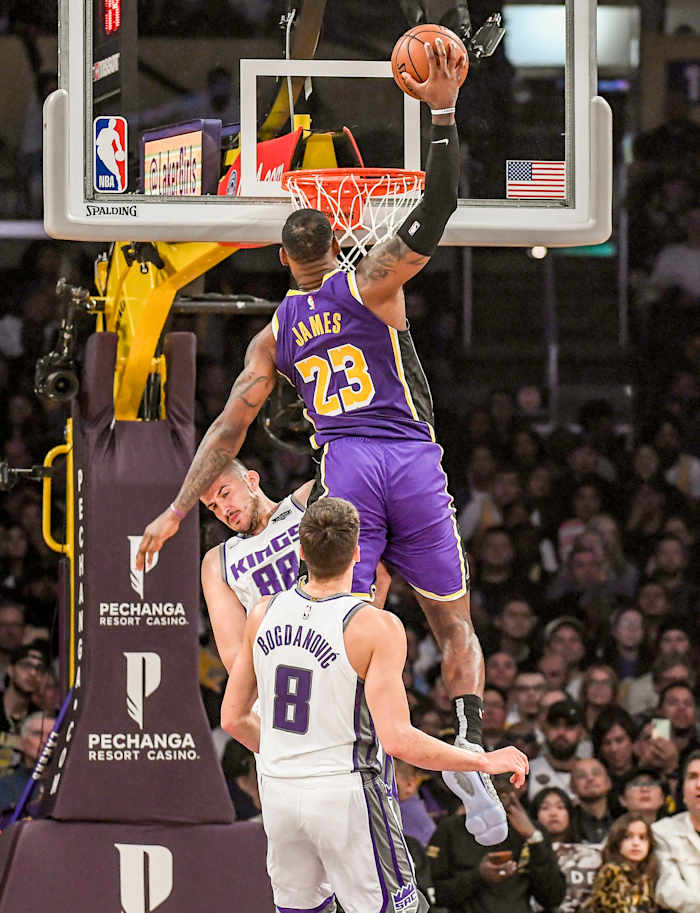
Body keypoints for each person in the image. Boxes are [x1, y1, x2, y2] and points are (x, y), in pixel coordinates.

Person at [137, 38, 510, 843]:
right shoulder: (373, 277)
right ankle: (470, 742)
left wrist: (174, 508)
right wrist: (441, 111)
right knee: (455, 626)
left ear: (282, 257)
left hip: (343, 465)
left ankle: (364, 757)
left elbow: (230, 427)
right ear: (337, 239)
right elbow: (439, 203)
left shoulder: (274, 332)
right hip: (409, 457)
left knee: (357, 625)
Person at [220, 498, 528, 913]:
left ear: (301, 551)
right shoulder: (376, 626)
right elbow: (398, 740)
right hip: (346, 792)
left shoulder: (261, 612)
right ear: (357, 553)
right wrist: (482, 761)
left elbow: (233, 719)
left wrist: (290, 754)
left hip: (278, 789)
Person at [428, 776, 566, 913]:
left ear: (522, 786)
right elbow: (434, 895)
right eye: (491, 779)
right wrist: (478, 876)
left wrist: (533, 839)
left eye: (508, 779)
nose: (499, 786)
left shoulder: (534, 831)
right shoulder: (450, 830)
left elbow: (553, 898)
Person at [531, 786, 602, 913]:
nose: (553, 813)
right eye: (545, 808)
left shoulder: (591, 852)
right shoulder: (528, 853)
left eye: (560, 807)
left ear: (570, 814)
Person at [652, 750, 700, 912]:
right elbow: (668, 890)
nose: (699, 784)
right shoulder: (663, 832)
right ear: (683, 792)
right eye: (693, 777)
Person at [587, 813, 658, 913]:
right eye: (627, 837)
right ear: (617, 841)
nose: (636, 843)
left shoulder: (646, 876)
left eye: (642, 838)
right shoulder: (611, 872)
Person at [528, 701, 588, 802]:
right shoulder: (528, 770)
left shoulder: (592, 774)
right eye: (555, 725)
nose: (561, 733)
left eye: (569, 727)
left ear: (582, 733)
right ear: (545, 729)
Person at [0, 711, 56, 817]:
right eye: (38, 734)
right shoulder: (5, 787)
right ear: (21, 742)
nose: (46, 740)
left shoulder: (66, 784)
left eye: (52, 735)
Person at [569, 757, 614, 845]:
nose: (590, 778)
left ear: (608, 782)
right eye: (581, 776)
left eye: (596, 773)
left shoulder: (622, 818)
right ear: (572, 787)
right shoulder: (566, 823)